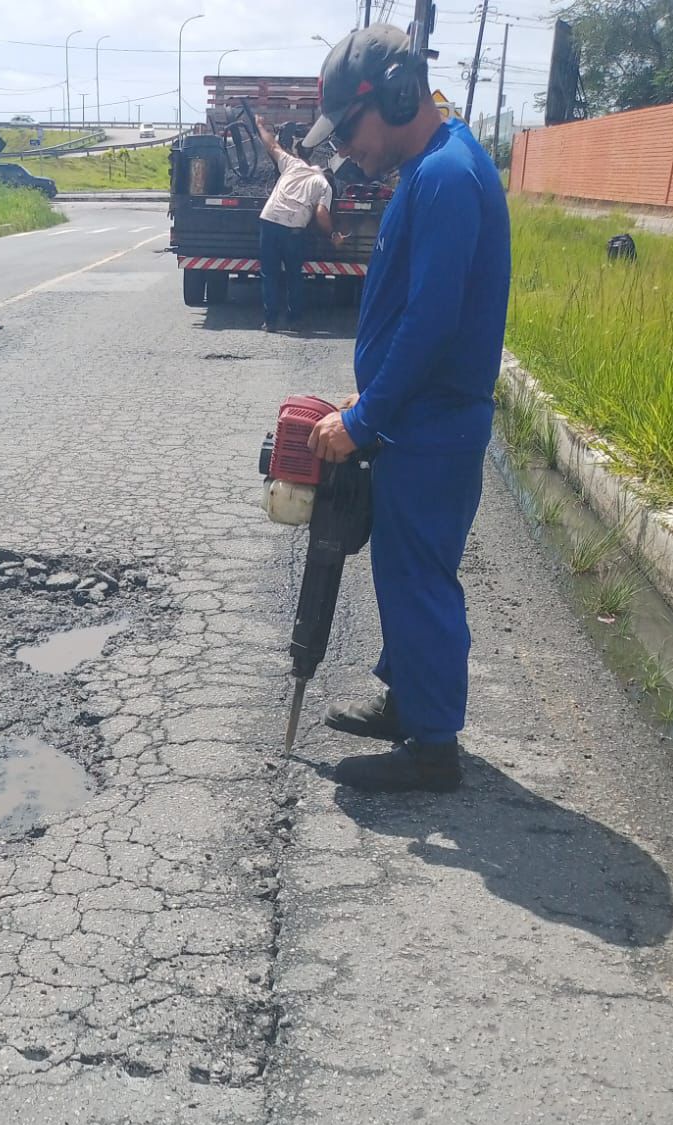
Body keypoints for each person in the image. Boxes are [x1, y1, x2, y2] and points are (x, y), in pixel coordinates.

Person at [301, 24, 511, 793]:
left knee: (419, 575)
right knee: (403, 563)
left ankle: (432, 750)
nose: (347, 148)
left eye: (348, 130)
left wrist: (361, 420)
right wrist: (373, 398)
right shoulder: (429, 169)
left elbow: (432, 321)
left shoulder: (448, 176)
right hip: (416, 416)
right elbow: (414, 319)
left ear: (392, 96)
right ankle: (408, 700)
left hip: (433, 423)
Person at [254, 116, 345, 330]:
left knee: (269, 273)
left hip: (269, 220)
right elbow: (322, 213)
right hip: (293, 229)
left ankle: (271, 321)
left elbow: (271, 144)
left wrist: (260, 125)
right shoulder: (324, 184)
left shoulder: (293, 165)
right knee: (294, 274)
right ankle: (294, 319)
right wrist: (333, 235)